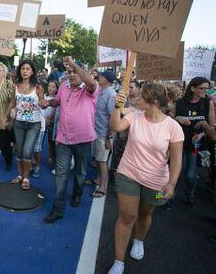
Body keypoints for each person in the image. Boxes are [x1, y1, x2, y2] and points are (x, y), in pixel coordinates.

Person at [108, 83, 184, 274]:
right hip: (128, 174)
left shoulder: (173, 127)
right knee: (127, 216)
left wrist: (171, 184)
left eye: (142, 97)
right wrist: (117, 107)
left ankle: (139, 240)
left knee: (145, 214)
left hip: (157, 182)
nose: (138, 99)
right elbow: (116, 126)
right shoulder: (134, 115)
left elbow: (176, 160)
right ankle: (118, 262)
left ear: (154, 103)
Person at [41, 57, 98, 223]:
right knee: (61, 173)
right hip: (64, 137)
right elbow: (57, 101)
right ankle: (58, 209)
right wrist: (47, 103)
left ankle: (77, 193)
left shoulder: (90, 88)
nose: (72, 75)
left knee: (80, 171)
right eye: (69, 72)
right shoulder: (64, 87)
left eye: (75, 72)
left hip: (83, 138)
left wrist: (73, 64)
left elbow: (89, 80)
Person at [174, 77, 215, 206]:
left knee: (190, 175)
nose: (205, 91)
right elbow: (168, 120)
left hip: (195, 144)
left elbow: (212, 128)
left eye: (207, 89)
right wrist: (177, 118)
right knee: (171, 173)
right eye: (202, 88)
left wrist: (203, 131)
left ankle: (190, 194)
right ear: (192, 88)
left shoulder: (208, 103)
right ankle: (164, 197)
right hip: (177, 142)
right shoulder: (179, 102)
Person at [8, 60, 45, 190]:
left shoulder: (38, 87)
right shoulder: (16, 85)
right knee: (19, 150)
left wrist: (43, 103)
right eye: (22, 68)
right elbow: (12, 102)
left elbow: (42, 101)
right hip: (19, 123)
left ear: (32, 71)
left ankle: (26, 177)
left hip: (34, 124)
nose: (24, 71)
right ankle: (20, 175)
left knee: (27, 151)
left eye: (27, 69)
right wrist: (6, 118)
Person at [92, 69, 116, 197]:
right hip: (97, 132)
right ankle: (98, 179)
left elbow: (113, 117)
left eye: (100, 77)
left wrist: (109, 137)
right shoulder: (102, 91)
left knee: (102, 161)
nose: (98, 78)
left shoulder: (111, 94)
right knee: (98, 159)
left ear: (105, 80)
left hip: (103, 134)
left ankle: (103, 187)